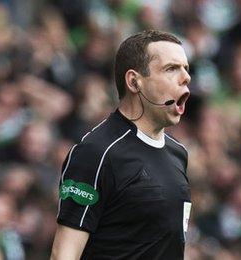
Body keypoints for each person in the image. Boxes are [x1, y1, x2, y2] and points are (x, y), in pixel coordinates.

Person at [50, 30, 192, 259]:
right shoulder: (97, 152)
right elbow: (64, 254)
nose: (186, 77)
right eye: (171, 68)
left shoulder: (178, 153)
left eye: (186, 68)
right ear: (134, 82)